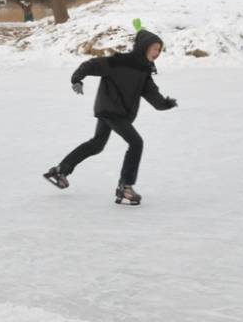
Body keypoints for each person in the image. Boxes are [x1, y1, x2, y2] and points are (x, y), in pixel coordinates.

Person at [43, 28, 177, 205]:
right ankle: (125, 186)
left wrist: (166, 104)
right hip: (110, 110)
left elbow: (153, 95)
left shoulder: (144, 72)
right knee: (136, 142)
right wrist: (77, 79)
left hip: (116, 112)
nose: (157, 53)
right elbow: (91, 65)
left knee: (97, 144)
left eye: (159, 50)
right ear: (144, 47)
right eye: (154, 48)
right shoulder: (118, 62)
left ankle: (60, 170)